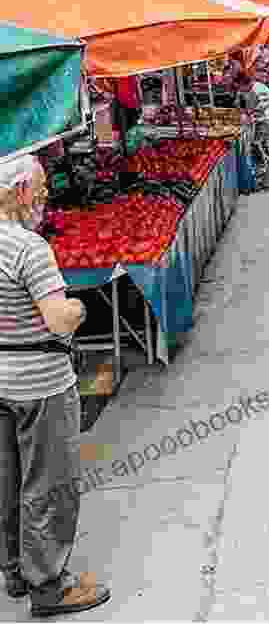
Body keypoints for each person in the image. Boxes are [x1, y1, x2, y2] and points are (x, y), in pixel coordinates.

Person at [0, 156, 110, 617]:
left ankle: (15, 570)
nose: (46, 197)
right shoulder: (28, 248)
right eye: (41, 189)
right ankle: (48, 584)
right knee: (49, 481)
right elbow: (57, 318)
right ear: (21, 189)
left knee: (8, 479)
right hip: (40, 383)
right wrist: (80, 310)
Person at [237, 72, 269, 191]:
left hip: (267, 121)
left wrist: (251, 114)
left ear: (244, 83)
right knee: (263, 148)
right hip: (263, 120)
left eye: (240, 86)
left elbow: (264, 105)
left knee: (266, 148)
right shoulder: (252, 89)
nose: (240, 90)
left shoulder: (257, 90)